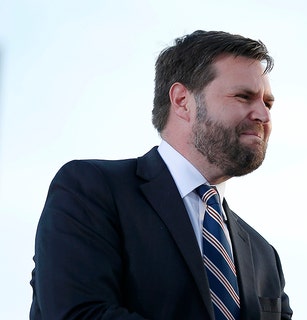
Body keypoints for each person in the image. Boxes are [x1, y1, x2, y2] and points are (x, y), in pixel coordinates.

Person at [30, 30, 293, 320]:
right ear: (182, 100)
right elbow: (79, 314)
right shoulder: (91, 190)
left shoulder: (264, 255)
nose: (263, 116)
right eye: (244, 97)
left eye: (267, 104)